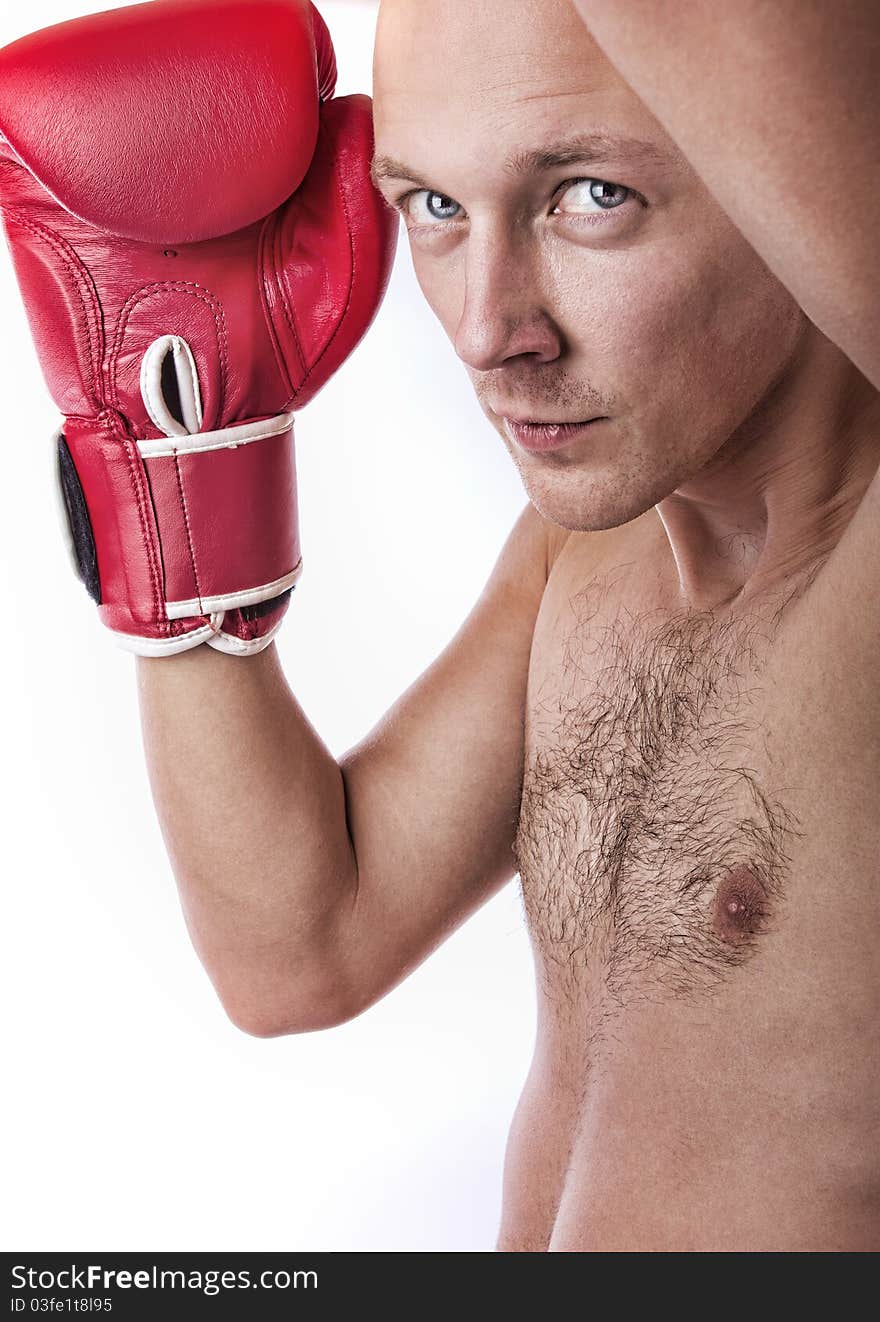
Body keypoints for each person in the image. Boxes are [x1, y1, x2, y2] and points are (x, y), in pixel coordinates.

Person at [1, 0, 877, 1251]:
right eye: (434, 208)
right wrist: (178, 466)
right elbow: (299, 949)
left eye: (591, 197)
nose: (487, 330)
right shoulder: (586, 556)